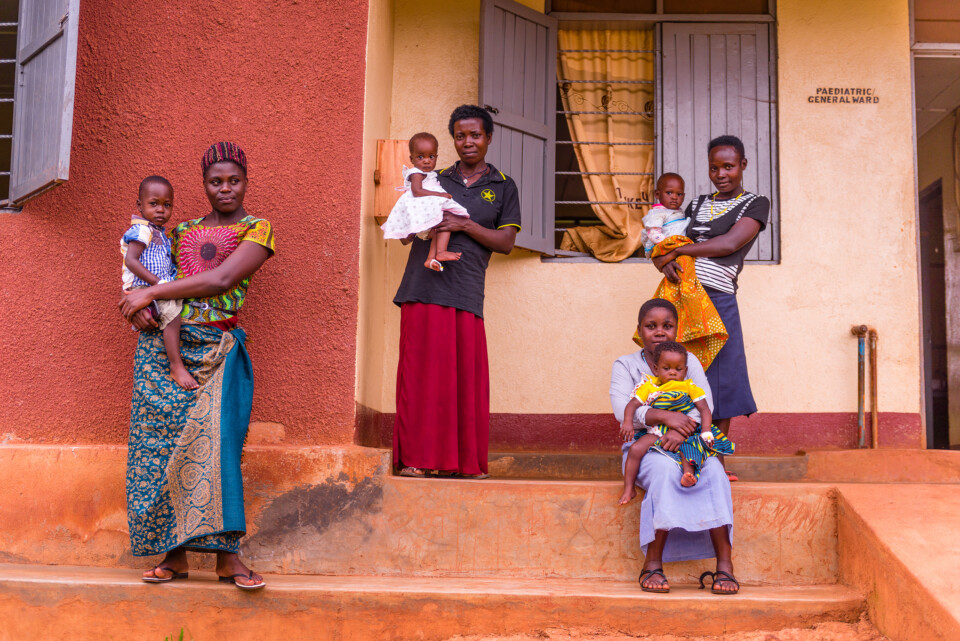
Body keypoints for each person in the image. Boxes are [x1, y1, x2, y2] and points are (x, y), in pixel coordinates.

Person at [119, 142, 275, 590]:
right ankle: (175, 554)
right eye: (215, 181)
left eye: (234, 180)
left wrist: (152, 294)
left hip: (215, 350)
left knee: (220, 448)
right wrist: (136, 303)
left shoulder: (257, 229)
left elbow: (222, 279)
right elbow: (148, 274)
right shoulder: (179, 228)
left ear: (246, 181)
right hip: (161, 350)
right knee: (162, 448)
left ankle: (228, 558)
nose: (225, 189)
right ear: (203, 185)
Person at [392, 104, 521, 479]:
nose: (468, 142)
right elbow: (408, 225)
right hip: (422, 286)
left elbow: (506, 242)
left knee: (462, 383)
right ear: (453, 140)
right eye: (461, 136)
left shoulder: (503, 186)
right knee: (420, 378)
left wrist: (462, 226)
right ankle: (417, 459)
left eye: (475, 135)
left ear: (488, 138)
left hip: (465, 291)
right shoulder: (434, 179)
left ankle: (461, 464)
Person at [652, 135, 770, 482]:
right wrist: (663, 261)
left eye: (729, 167)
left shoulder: (756, 203)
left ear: (743, 165)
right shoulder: (697, 203)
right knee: (679, 373)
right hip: (683, 295)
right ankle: (679, 457)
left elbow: (731, 242)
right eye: (714, 167)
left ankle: (713, 458)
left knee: (724, 377)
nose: (721, 174)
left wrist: (681, 253)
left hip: (718, 297)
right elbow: (671, 239)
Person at [610, 298, 739, 595]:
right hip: (649, 443)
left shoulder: (688, 361)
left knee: (714, 475)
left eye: (667, 326)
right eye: (651, 326)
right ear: (639, 330)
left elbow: (704, 404)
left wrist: (682, 431)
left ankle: (725, 565)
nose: (659, 332)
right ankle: (652, 564)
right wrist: (665, 417)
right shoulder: (625, 365)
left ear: (676, 330)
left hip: (690, 440)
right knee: (665, 473)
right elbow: (623, 411)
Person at [618, 341, 734, 504]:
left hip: (685, 432)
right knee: (636, 449)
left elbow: (705, 410)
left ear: (685, 371)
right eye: (667, 368)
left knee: (689, 451)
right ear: (656, 369)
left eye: (678, 369)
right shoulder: (649, 386)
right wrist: (628, 422)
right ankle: (628, 488)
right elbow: (632, 405)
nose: (672, 373)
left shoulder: (690, 387)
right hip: (656, 431)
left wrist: (706, 430)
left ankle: (688, 475)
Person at [120, 176, 197, 390]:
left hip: (153, 287)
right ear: (140, 205)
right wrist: (158, 285)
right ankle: (176, 365)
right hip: (146, 287)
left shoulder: (159, 233)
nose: (161, 210)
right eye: (154, 204)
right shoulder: (142, 230)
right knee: (173, 315)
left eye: (167, 205)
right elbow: (131, 261)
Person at [381, 132, 470, 271]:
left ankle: (431, 259)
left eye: (431, 156)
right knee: (444, 225)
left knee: (441, 229)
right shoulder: (416, 173)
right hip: (421, 218)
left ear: (436, 157)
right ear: (412, 159)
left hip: (425, 222)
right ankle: (440, 252)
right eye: (420, 157)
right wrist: (439, 195)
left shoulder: (429, 174)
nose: (427, 161)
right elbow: (417, 191)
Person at [641, 173, 687, 256]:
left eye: (679, 194)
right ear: (657, 194)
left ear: (684, 196)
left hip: (679, 249)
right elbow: (654, 234)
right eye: (669, 193)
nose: (674, 197)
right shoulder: (657, 213)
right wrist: (670, 245)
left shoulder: (680, 212)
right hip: (666, 250)